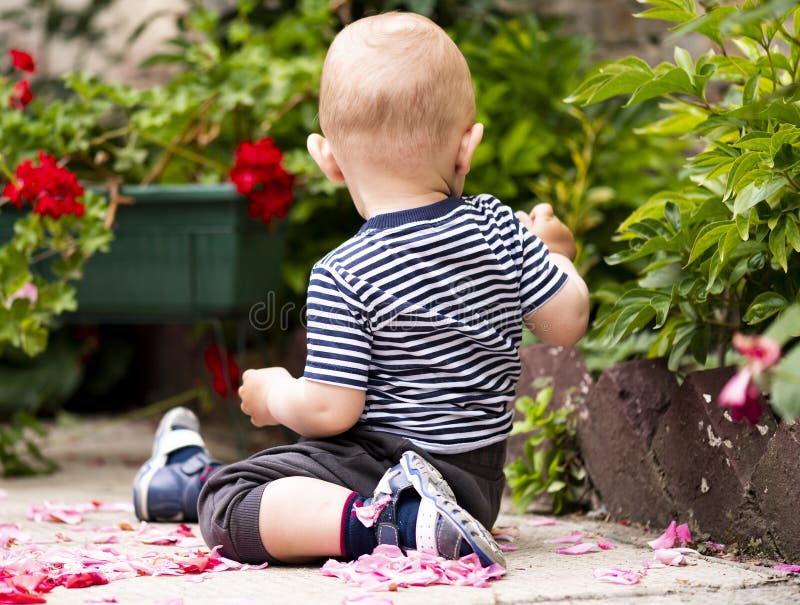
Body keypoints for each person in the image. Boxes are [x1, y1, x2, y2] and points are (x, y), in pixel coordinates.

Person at [132, 11, 589, 568]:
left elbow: (331, 410)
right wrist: (555, 258)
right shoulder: (501, 229)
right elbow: (563, 325)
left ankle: (388, 527)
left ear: (327, 159)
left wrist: (276, 393)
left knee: (229, 504)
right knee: (288, 468)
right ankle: (186, 481)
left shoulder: (343, 272)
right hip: (475, 485)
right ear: (467, 147)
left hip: (383, 471)